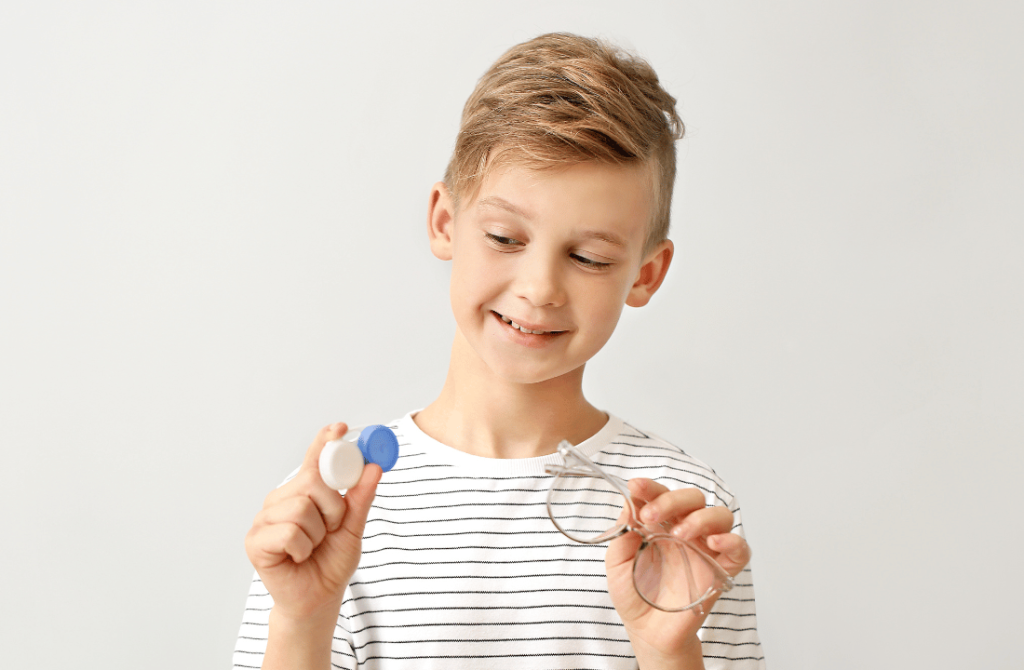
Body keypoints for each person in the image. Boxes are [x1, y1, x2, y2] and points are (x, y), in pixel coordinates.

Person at [234, 32, 764, 670]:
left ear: (646, 275)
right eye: (505, 237)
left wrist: (664, 649)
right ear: (444, 222)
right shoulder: (333, 503)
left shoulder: (684, 511)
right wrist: (302, 620)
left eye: (589, 257)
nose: (540, 289)